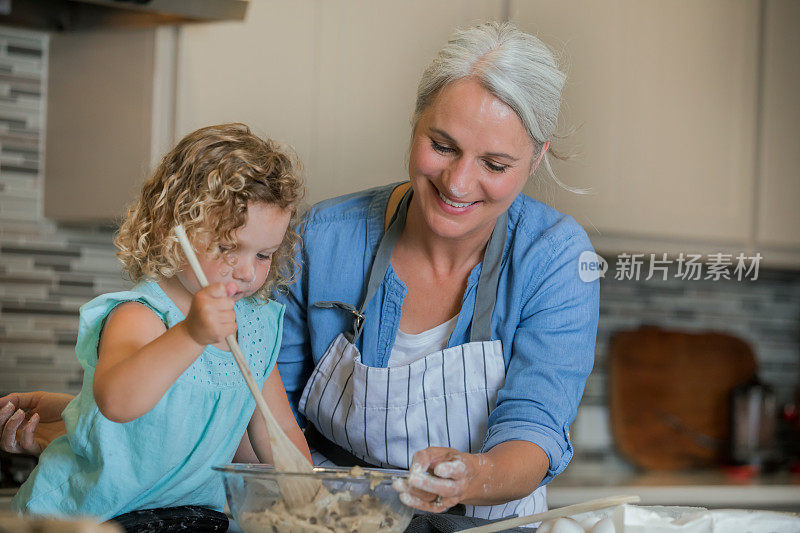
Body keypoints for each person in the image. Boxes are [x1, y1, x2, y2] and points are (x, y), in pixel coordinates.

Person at [1, 21, 598, 523]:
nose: (459, 182)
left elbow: (535, 429)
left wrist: (474, 476)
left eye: (494, 163)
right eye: (441, 145)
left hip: (483, 522)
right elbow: (216, 419)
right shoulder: (325, 237)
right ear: (414, 123)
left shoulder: (554, 258)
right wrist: (70, 422)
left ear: (536, 156)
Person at [4, 123, 310, 521]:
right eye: (228, 248)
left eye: (264, 255)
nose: (248, 273)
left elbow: (278, 431)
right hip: (89, 517)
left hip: (188, 518)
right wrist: (192, 334)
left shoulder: (255, 327)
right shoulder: (141, 314)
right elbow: (117, 401)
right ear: (172, 230)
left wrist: (317, 497)